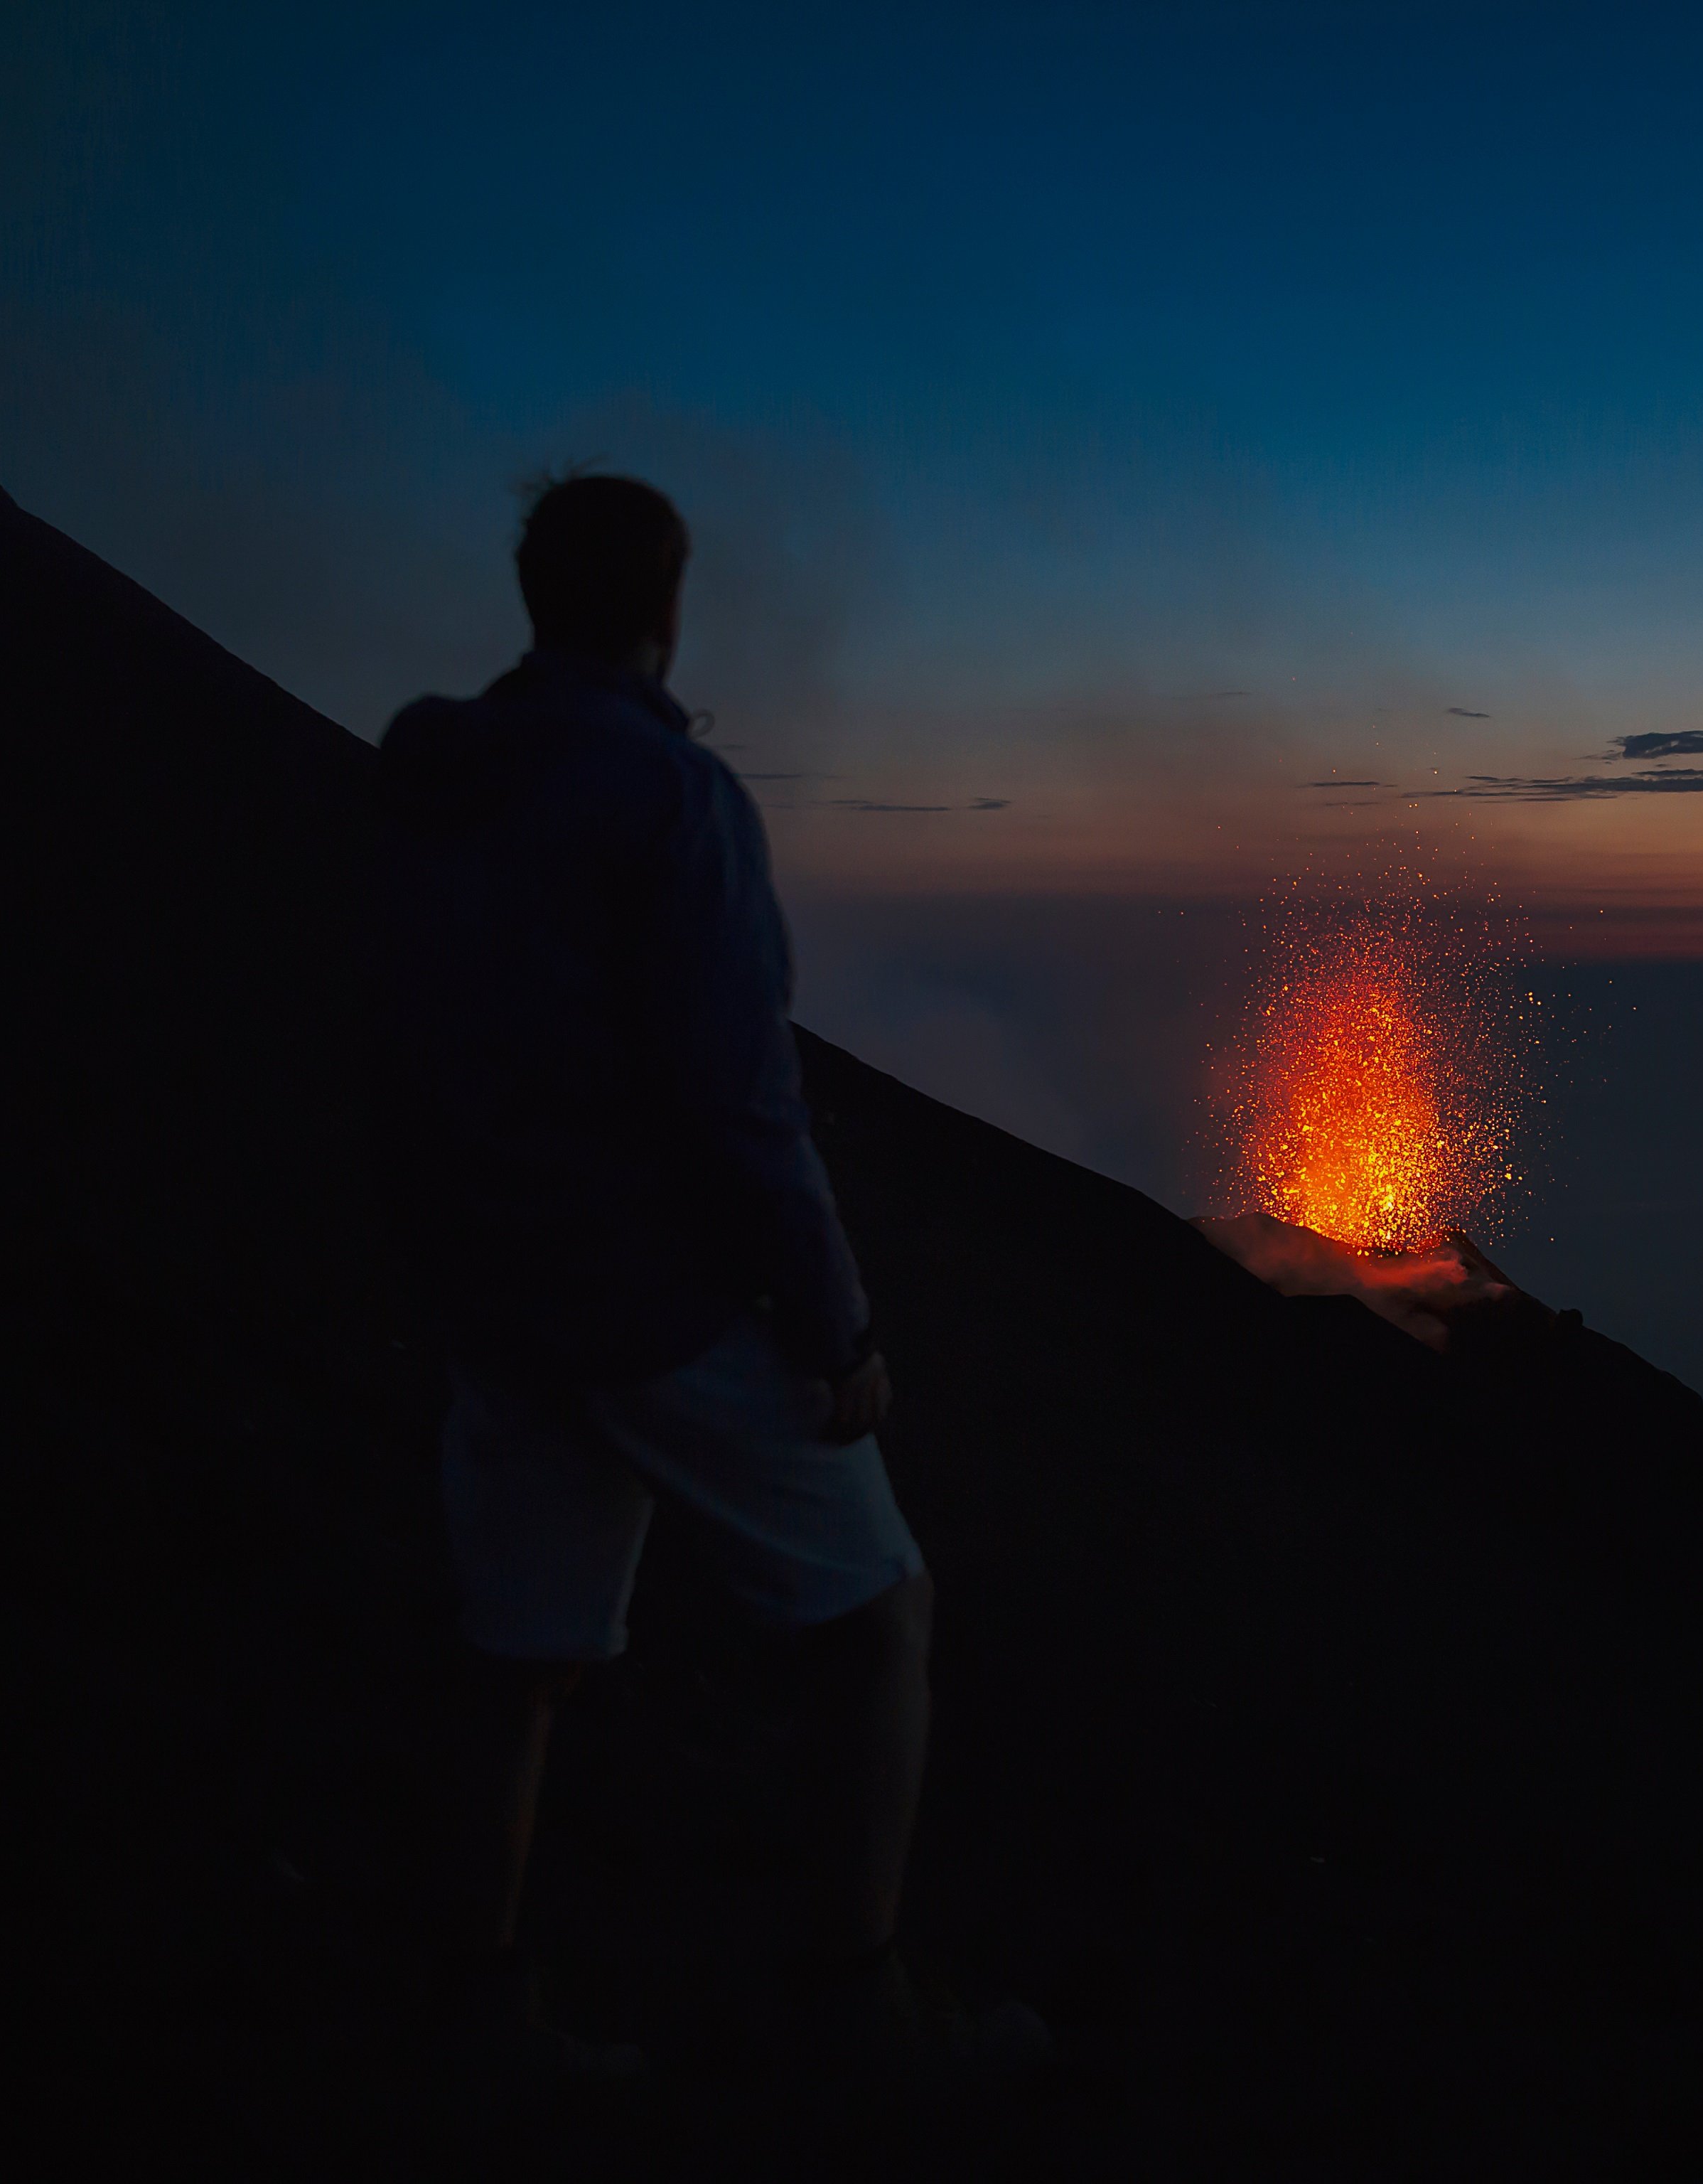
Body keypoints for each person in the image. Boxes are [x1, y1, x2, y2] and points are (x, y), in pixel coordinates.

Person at [376, 473, 1037, 2104]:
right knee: (884, 1619)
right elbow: (742, 1102)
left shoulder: (438, 774)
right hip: (654, 1305)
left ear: (535, 596)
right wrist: (836, 1333)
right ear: (667, 603)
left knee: (516, 1660)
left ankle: (474, 2021)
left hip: (499, 1295)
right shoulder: (672, 801)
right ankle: (857, 2013)